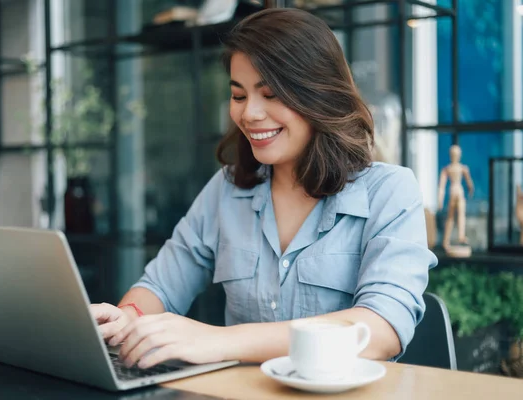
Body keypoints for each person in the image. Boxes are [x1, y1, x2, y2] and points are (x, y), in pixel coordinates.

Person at [91, 8, 437, 369]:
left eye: (270, 94)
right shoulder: (226, 189)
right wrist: (128, 317)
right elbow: (160, 287)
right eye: (239, 96)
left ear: (319, 95)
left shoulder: (390, 191)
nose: (250, 114)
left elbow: (380, 330)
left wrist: (219, 340)